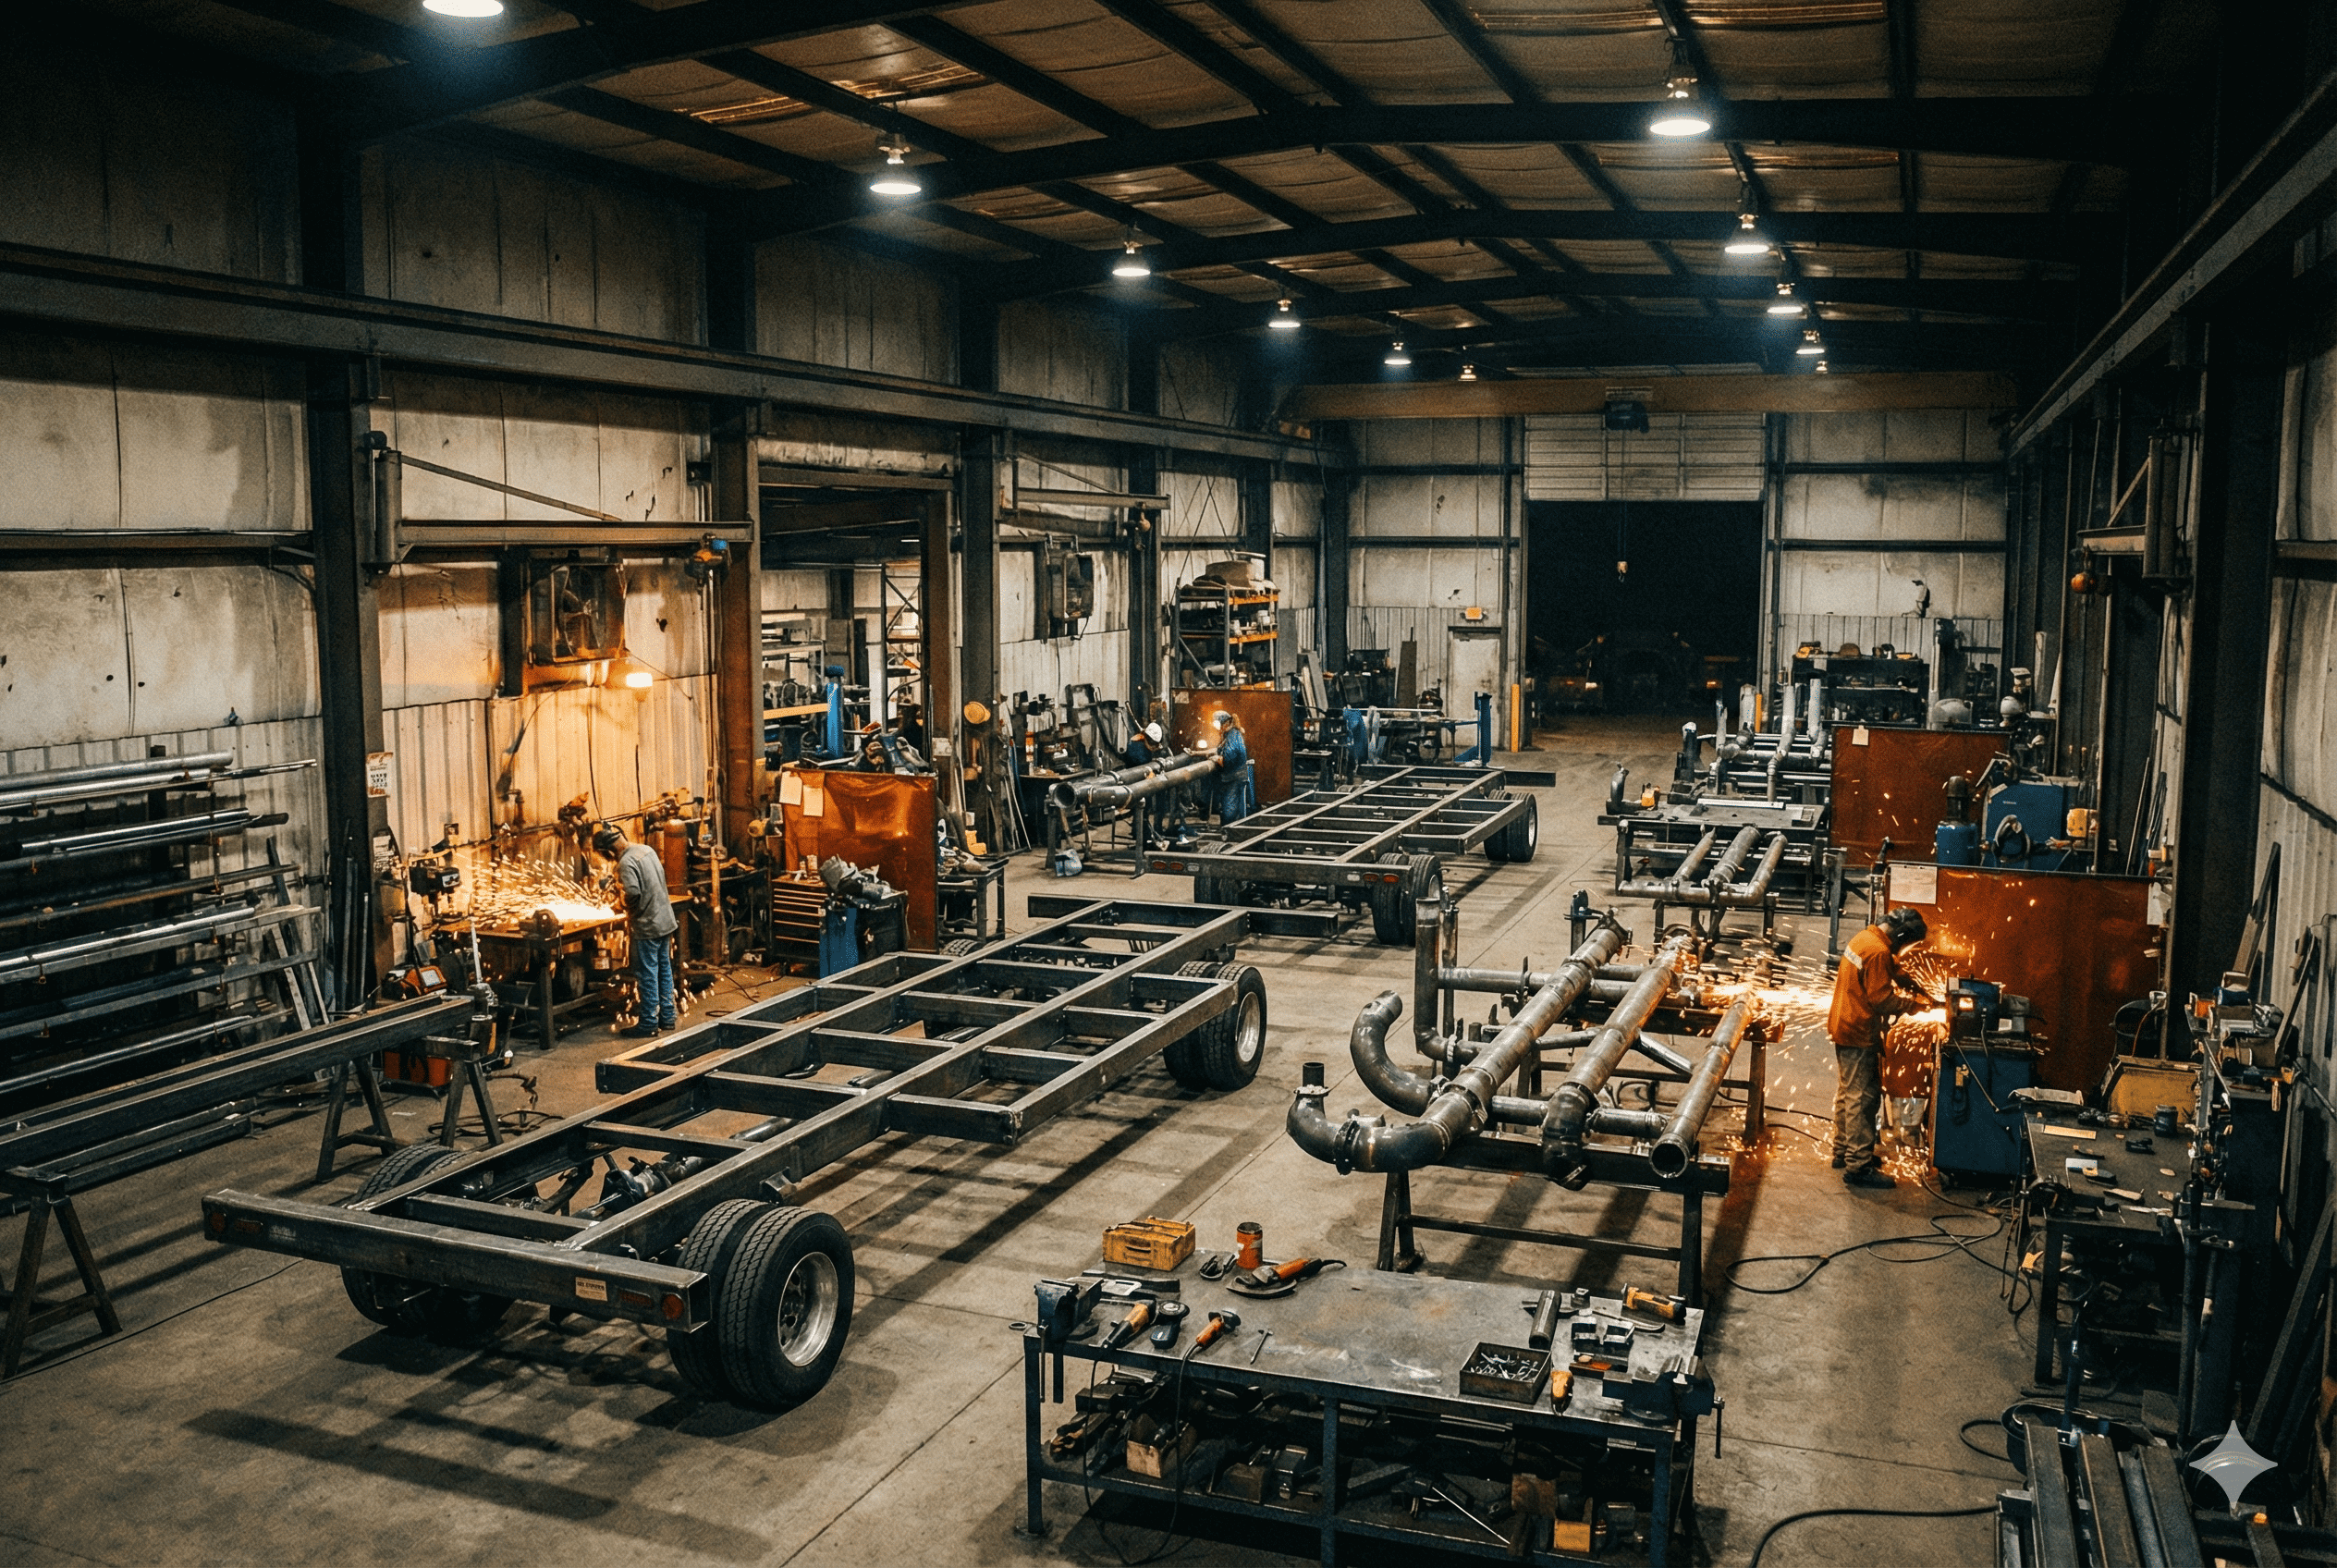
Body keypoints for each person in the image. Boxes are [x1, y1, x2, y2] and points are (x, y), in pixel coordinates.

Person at [1826, 905, 1931, 1188]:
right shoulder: (1878, 951)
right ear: (1900, 935)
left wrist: (1914, 985)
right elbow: (1881, 999)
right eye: (1907, 944)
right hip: (1858, 1030)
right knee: (1863, 1098)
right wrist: (1913, 1005)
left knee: (1849, 1093)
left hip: (1845, 1023)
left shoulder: (1867, 938)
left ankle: (1843, 1151)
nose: (1904, 949)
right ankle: (1858, 1167)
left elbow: (1890, 969)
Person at [595, 824, 679, 1037]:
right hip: (665, 920)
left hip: (648, 926)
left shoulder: (625, 863)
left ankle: (649, 1023)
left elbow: (632, 893)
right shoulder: (646, 849)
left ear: (609, 851)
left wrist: (620, 905)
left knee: (648, 974)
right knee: (664, 969)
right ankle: (668, 1017)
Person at [1212, 710, 1255, 825]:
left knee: (1229, 811)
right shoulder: (1230, 735)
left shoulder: (1233, 736)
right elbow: (1220, 750)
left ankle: (1229, 830)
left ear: (1225, 723)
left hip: (1234, 778)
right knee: (1229, 807)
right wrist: (1197, 753)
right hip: (1232, 777)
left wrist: (1218, 759)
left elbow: (1228, 759)